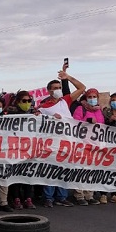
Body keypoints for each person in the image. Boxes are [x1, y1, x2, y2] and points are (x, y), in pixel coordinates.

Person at [37, 67, 87, 207]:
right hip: (51, 143)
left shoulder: (65, 100)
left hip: (67, 142)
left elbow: (82, 87)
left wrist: (68, 77)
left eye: (59, 87)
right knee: (50, 170)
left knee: (64, 168)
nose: (58, 89)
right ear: (49, 91)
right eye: (55, 88)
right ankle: (48, 197)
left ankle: (62, 196)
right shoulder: (43, 107)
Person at [6, 90, 37, 209]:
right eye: (24, 101)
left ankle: (28, 198)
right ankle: (16, 198)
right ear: (18, 101)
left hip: (29, 149)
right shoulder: (10, 114)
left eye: (29, 101)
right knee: (15, 175)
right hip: (14, 149)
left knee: (28, 175)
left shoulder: (34, 114)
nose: (27, 103)